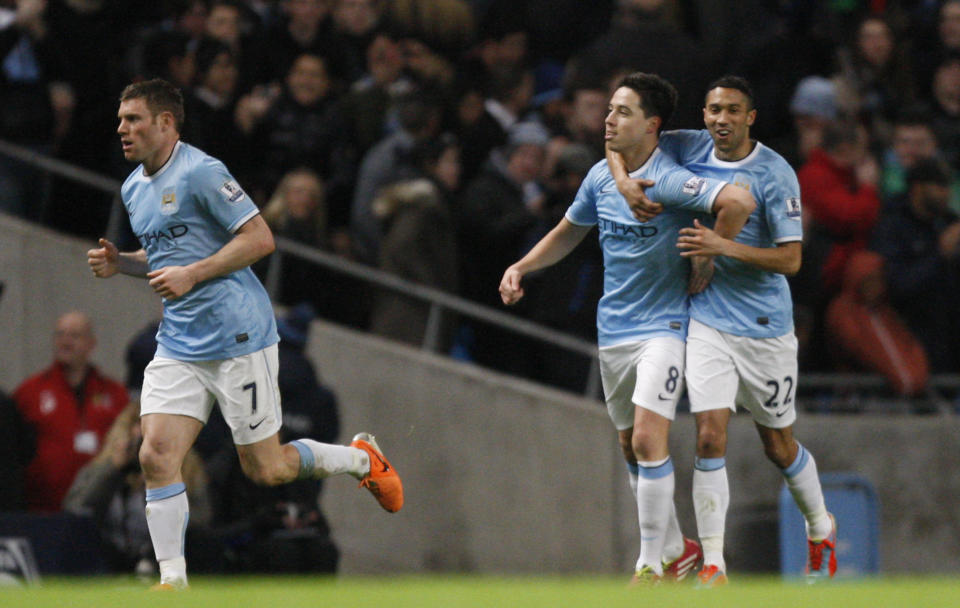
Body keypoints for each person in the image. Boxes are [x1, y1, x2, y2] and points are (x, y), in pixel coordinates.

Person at [86, 78, 402, 590]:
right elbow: (166, 257)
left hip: (238, 338)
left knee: (268, 470)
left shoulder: (203, 172)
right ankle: (173, 581)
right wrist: (120, 262)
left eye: (133, 119)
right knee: (154, 453)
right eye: (121, 119)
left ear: (165, 123)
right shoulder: (133, 187)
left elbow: (260, 238)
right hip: (180, 342)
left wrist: (195, 274)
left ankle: (360, 459)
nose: (121, 128)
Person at [499, 72, 756, 584]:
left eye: (623, 112)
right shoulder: (602, 177)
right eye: (610, 109)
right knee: (629, 447)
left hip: (664, 327)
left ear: (652, 124)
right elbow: (569, 231)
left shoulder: (671, 179)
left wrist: (709, 256)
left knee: (645, 439)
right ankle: (677, 549)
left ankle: (647, 564)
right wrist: (522, 267)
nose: (609, 119)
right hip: (613, 329)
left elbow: (739, 203)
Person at [608, 75, 837, 586]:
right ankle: (715, 562)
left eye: (732, 111)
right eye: (713, 110)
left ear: (750, 117)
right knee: (709, 437)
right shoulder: (689, 145)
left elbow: (792, 260)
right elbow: (622, 143)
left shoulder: (775, 173)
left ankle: (821, 528)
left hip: (765, 328)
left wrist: (721, 248)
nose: (720, 120)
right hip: (707, 318)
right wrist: (623, 181)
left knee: (778, 447)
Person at [13, 311, 129, 512]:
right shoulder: (30, 392)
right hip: (42, 510)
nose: (65, 342)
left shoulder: (114, 394)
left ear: (92, 343)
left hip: (100, 510)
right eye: (60, 335)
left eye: (74, 336)